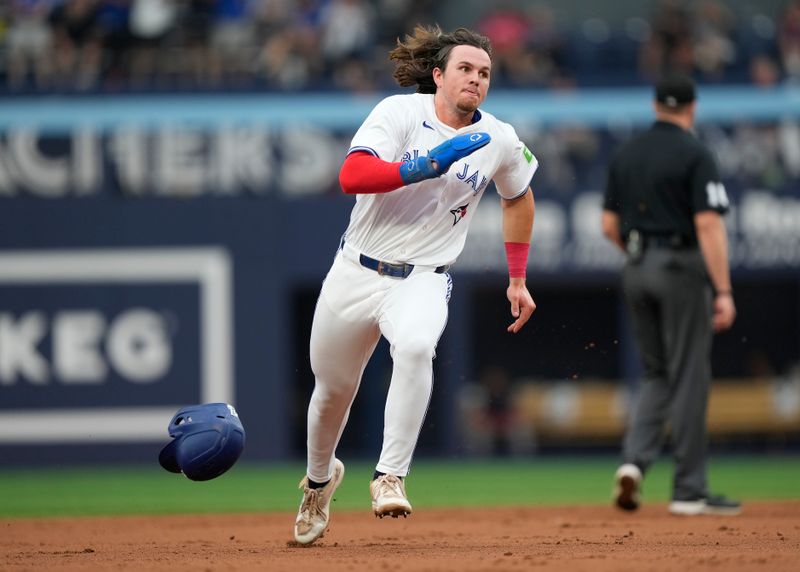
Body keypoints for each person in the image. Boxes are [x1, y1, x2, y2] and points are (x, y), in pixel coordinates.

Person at [293, 25, 538, 545]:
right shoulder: (400, 112)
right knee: (331, 392)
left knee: (418, 345)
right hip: (356, 269)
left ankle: (389, 476)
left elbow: (519, 195)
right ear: (438, 76)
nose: (476, 79)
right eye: (465, 69)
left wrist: (517, 276)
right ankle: (318, 483)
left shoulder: (499, 137)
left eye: (485, 73)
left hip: (423, 278)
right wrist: (422, 166)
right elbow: (352, 176)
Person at [601, 74, 740, 516]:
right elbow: (708, 224)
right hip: (680, 266)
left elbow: (608, 226)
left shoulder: (627, 152)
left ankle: (633, 464)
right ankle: (689, 490)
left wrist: (642, 257)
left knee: (656, 374)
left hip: (637, 267)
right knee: (689, 376)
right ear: (692, 108)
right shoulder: (696, 152)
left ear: (656, 105)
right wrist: (723, 289)